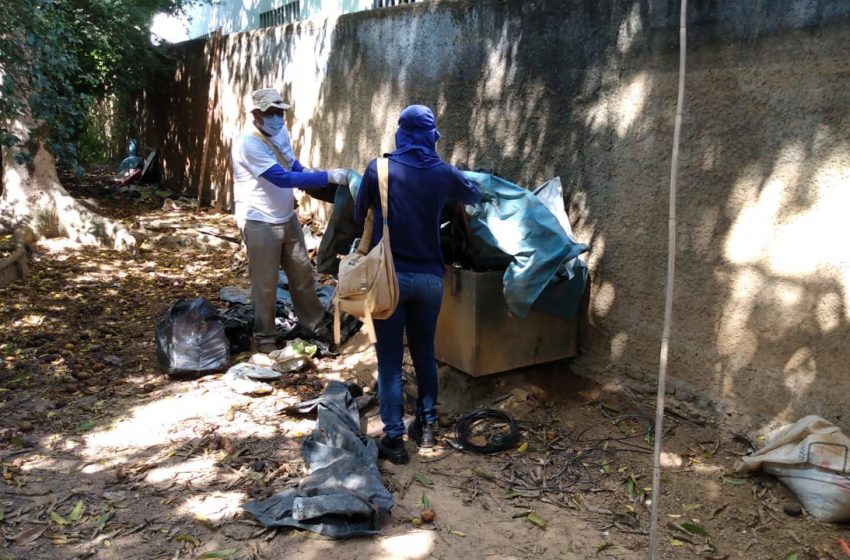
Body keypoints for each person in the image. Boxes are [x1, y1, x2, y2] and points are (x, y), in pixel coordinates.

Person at [354, 104, 481, 464]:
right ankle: (427, 429)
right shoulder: (442, 172)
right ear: (430, 135)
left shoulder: (378, 169)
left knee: (391, 360)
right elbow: (473, 194)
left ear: (401, 131)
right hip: (430, 279)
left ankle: (394, 440)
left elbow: (358, 212)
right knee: (425, 354)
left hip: (388, 278)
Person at [231, 88, 349, 354]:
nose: (277, 118)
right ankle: (265, 338)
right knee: (266, 283)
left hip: (286, 216)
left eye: (280, 112)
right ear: (257, 115)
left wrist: (316, 177)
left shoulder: (279, 133)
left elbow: (292, 166)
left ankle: (316, 327)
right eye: (271, 113)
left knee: (302, 274)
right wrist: (327, 176)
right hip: (259, 219)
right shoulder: (247, 144)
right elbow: (280, 178)